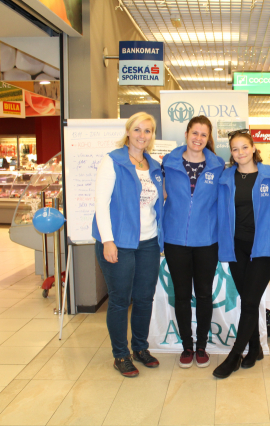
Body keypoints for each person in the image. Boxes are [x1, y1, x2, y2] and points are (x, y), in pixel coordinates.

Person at [91, 112, 164, 377]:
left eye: (147, 131)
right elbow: (101, 204)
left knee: (144, 298)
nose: (142, 135)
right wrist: (108, 240)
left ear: (152, 135)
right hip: (119, 242)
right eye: (137, 129)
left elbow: (156, 202)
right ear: (128, 132)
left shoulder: (154, 166)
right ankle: (120, 354)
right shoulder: (113, 161)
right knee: (120, 299)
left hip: (149, 242)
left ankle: (140, 348)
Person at [212, 129, 270, 379]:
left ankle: (234, 356)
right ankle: (254, 348)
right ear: (230, 153)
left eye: (244, 147)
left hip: (265, 247)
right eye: (235, 149)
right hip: (236, 247)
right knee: (247, 299)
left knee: (251, 301)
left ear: (253, 148)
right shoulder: (225, 178)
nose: (240, 152)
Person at [161, 115, 225, 368]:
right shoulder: (168, 162)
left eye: (203, 134)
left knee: (204, 295)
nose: (198, 138)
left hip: (207, 241)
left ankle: (201, 347)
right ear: (186, 134)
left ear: (209, 138)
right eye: (194, 133)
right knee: (181, 295)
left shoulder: (218, 166)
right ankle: (187, 345)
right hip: (175, 240)